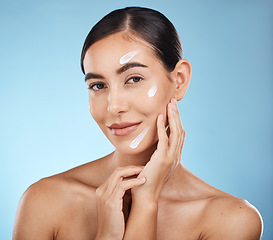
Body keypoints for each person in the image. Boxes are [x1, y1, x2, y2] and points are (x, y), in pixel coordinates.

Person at [13, 6, 263, 240]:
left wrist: (146, 202)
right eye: (98, 86)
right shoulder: (44, 202)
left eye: (133, 79)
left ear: (179, 80)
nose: (114, 106)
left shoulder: (232, 220)